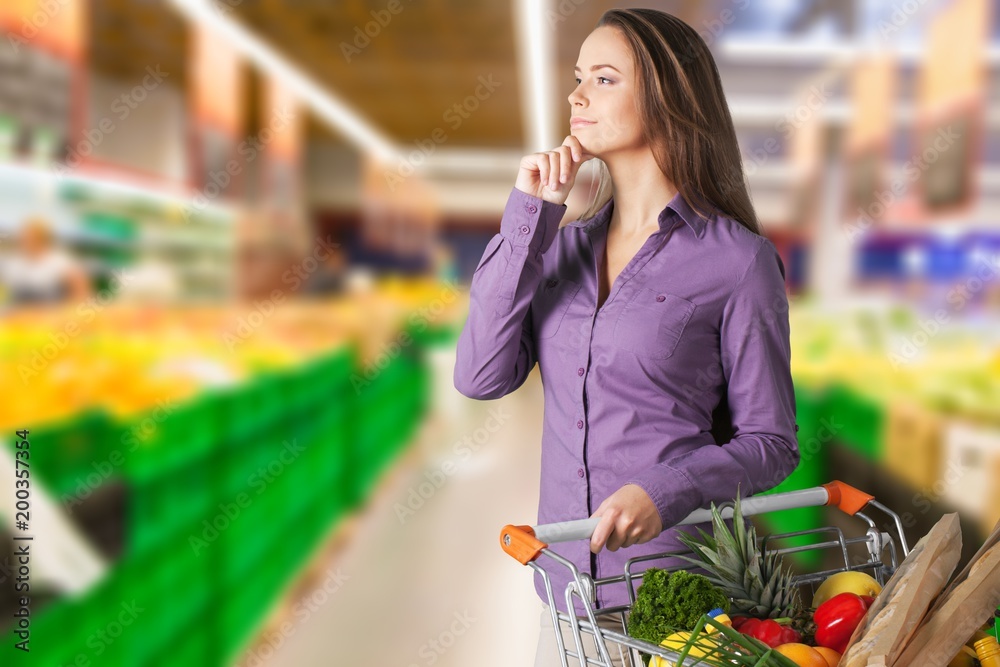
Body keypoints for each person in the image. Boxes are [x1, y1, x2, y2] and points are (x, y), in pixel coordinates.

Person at [452, 9, 799, 667]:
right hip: (564, 600)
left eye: (603, 79)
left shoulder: (738, 261)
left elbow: (772, 442)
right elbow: (480, 375)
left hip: (673, 604)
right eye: (579, 78)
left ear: (668, 96)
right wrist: (530, 215)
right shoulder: (561, 245)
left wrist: (665, 489)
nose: (576, 96)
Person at [1, 217, 90, 306]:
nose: (25, 241)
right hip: (19, 315)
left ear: (42, 239)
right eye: (23, 238)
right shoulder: (14, 263)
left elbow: (81, 291)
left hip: (51, 315)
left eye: (30, 238)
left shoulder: (59, 262)